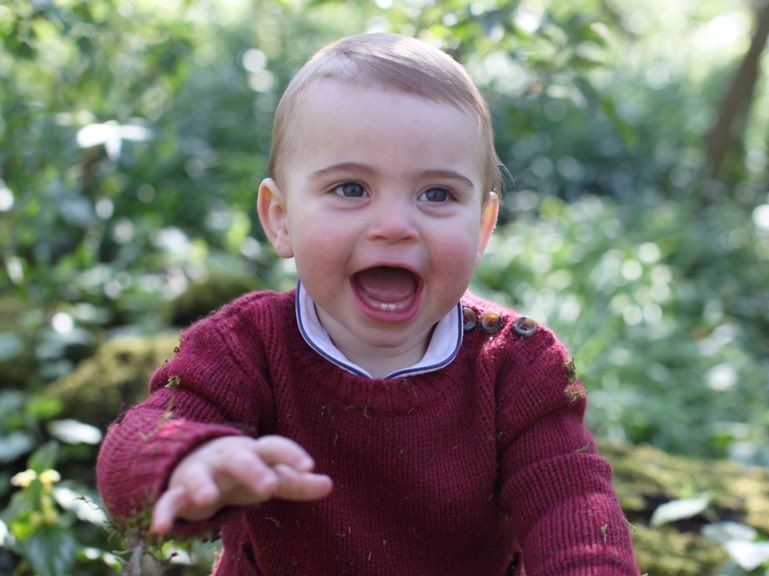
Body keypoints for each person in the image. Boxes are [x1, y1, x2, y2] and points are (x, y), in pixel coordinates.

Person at [96, 32, 638, 575]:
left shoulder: (516, 365)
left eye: (437, 194)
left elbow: (572, 503)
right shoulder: (245, 346)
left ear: (482, 225)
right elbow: (134, 447)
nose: (396, 227)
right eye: (351, 188)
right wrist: (186, 458)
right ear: (281, 218)